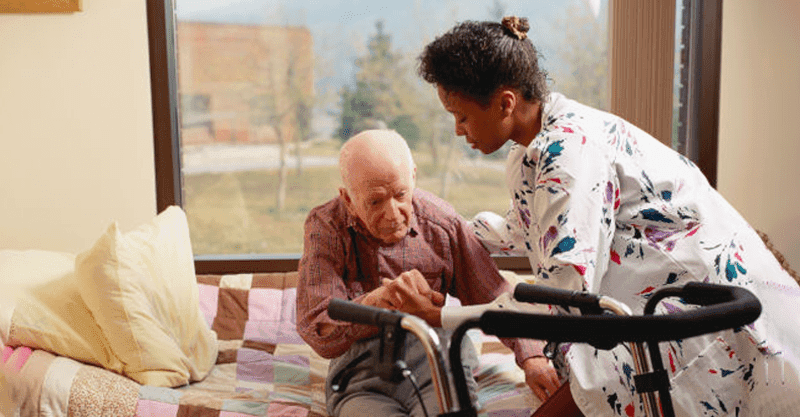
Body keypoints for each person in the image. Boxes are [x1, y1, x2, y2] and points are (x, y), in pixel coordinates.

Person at [417, 16, 800, 417]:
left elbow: (564, 297)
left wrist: (444, 314)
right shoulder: (530, 149)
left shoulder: (569, 152)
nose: (458, 130)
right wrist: (439, 224)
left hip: (706, 314)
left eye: (460, 116)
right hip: (666, 313)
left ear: (505, 103)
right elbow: (525, 230)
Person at [295, 129, 560, 417]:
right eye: (375, 201)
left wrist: (533, 356)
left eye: (400, 194)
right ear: (347, 198)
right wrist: (378, 303)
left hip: (436, 361)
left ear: (413, 177)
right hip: (360, 375)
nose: (393, 212)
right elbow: (317, 327)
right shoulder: (326, 226)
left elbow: (495, 293)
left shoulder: (441, 222)